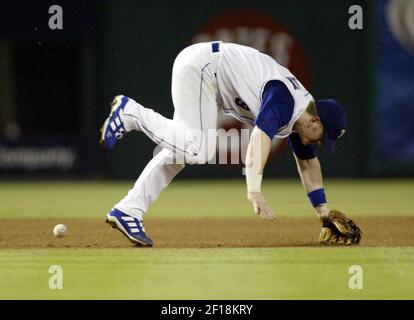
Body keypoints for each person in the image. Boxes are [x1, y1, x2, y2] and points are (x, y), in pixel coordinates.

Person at [100, 41, 361, 247]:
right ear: (315, 121)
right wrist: (254, 189)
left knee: (181, 152)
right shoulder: (286, 101)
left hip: (209, 76)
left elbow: (307, 163)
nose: (318, 143)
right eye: (322, 137)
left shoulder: (302, 118)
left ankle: (129, 210)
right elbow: (259, 139)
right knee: (198, 149)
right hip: (202, 67)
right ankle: (130, 112)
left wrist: (323, 213)